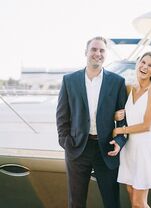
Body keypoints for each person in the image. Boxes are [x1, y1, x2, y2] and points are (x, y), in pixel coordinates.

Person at [56, 36, 127, 208]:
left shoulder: (117, 82)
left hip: (107, 149)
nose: (98, 53)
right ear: (86, 52)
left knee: (112, 202)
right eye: (94, 49)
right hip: (78, 148)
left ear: (106, 54)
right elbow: (61, 116)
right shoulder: (69, 80)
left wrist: (119, 141)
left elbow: (124, 119)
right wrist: (66, 142)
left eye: (102, 50)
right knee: (76, 202)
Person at [113, 51, 151, 208]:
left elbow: (147, 125)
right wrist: (115, 117)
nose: (145, 67)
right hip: (129, 148)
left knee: (138, 203)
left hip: (144, 148)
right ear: (138, 63)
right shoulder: (130, 88)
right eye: (143, 62)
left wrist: (119, 131)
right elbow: (122, 113)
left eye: (150, 65)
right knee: (132, 195)